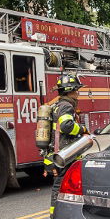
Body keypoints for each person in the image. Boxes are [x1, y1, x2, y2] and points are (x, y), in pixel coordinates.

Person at [43, 73, 90, 211]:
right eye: (76, 90)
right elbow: (66, 126)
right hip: (65, 155)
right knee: (61, 187)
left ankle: (60, 216)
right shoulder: (66, 106)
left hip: (57, 154)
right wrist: (83, 129)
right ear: (70, 91)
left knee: (61, 187)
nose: (78, 93)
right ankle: (55, 218)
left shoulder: (57, 105)